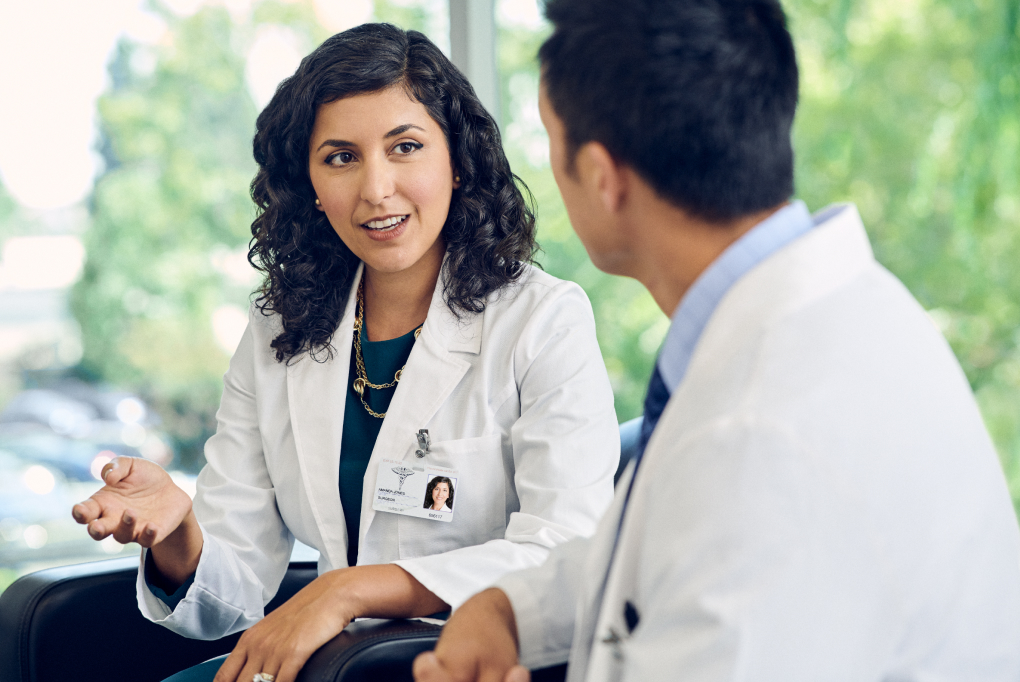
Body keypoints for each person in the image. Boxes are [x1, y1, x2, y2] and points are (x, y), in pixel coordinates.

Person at [413, 1, 1020, 680]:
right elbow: (668, 548)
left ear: (603, 177)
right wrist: (510, 607)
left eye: (549, 142)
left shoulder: (762, 438)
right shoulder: (839, 315)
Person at [71, 23, 620, 682]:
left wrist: (348, 590)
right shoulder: (281, 328)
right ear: (307, 182)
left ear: (458, 158)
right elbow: (233, 585)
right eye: (340, 157)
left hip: (466, 663)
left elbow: (565, 553)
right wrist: (177, 529)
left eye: (406, 147)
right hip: (333, 664)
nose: (376, 189)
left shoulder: (543, 320)